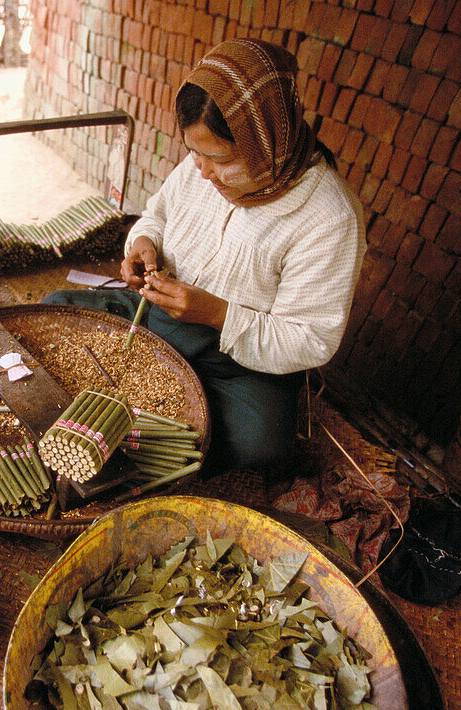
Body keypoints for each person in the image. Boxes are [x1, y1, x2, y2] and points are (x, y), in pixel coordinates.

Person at [45, 38, 366, 476]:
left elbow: (311, 338)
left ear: (265, 143)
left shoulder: (329, 217)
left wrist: (217, 314)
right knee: (53, 312)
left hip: (235, 360)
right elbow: (156, 214)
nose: (201, 169)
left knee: (261, 449)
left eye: (217, 158)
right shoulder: (202, 166)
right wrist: (144, 246)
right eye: (193, 151)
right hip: (154, 315)